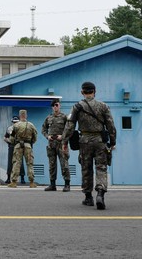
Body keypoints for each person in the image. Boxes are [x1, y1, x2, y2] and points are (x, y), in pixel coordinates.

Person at [62, 82, 116, 210]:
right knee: (101, 167)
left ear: (82, 92)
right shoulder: (103, 106)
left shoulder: (77, 107)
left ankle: (88, 197)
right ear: (94, 91)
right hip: (100, 141)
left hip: (84, 141)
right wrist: (112, 142)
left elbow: (70, 126)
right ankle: (100, 194)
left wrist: (64, 142)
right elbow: (111, 126)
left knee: (86, 169)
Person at [42, 99, 71, 192]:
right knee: (52, 165)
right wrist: (48, 136)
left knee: (64, 164)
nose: (55, 107)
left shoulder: (64, 117)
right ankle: (52, 185)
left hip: (61, 144)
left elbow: (69, 129)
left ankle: (67, 184)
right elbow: (43, 129)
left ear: (60, 105)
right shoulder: (48, 118)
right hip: (51, 144)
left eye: (57, 105)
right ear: (52, 107)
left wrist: (62, 136)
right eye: (53, 105)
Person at [8, 109, 38, 188]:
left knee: (16, 163)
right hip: (28, 146)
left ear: (19, 116)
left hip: (18, 146)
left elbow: (11, 138)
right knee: (29, 163)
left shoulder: (16, 125)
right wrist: (29, 143)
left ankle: (14, 182)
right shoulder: (31, 125)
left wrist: (15, 142)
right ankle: (31, 182)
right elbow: (35, 138)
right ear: (26, 116)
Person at [3, 116, 25, 184]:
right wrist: (9, 142)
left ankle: (22, 178)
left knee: (20, 162)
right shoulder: (9, 128)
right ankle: (9, 178)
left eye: (16, 122)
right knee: (10, 162)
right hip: (12, 146)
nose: (15, 123)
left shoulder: (22, 128)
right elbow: (5, 137)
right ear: (12, 122)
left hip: (18, 146)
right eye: (14, 122)